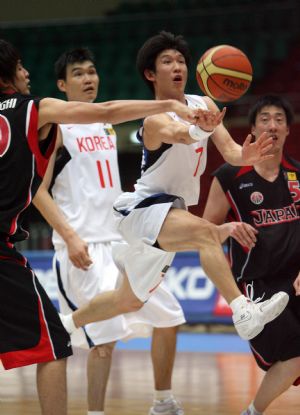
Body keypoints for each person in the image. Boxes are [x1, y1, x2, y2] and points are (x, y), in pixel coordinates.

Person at [0, 38, 200, 415]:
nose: (89, 78)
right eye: (78, 73)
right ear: (62, 84)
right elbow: (37, 190)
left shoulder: (106, 129)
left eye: (92, 71)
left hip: (120, 239)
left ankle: (163, 402)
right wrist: (70, 235)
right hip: (83, 244)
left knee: (169, 315)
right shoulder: (54, 123)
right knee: (97, 343)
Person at [60, 33, 288, 346]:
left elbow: (232, 151)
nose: (177, 66)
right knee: (207, 233)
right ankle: (243, 311)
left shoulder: (204, 103)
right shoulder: (154, 118)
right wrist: (199, 129)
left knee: (127, 301)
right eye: (167, 61)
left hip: (173, 210)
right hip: (145, 209)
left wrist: (245, 157)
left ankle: (66, 323)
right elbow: (179, 134)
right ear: (150, 74)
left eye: (180, 60)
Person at [203, 95, 300, 415]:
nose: (272, 124)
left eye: (279, 119)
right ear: (254, 128)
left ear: (288, 129)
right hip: (257, 284)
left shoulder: (297, 174)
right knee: (293, 356)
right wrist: (229, 228)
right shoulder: (231, 175)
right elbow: (203, 233)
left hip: (296, 280)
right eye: (265, 119)